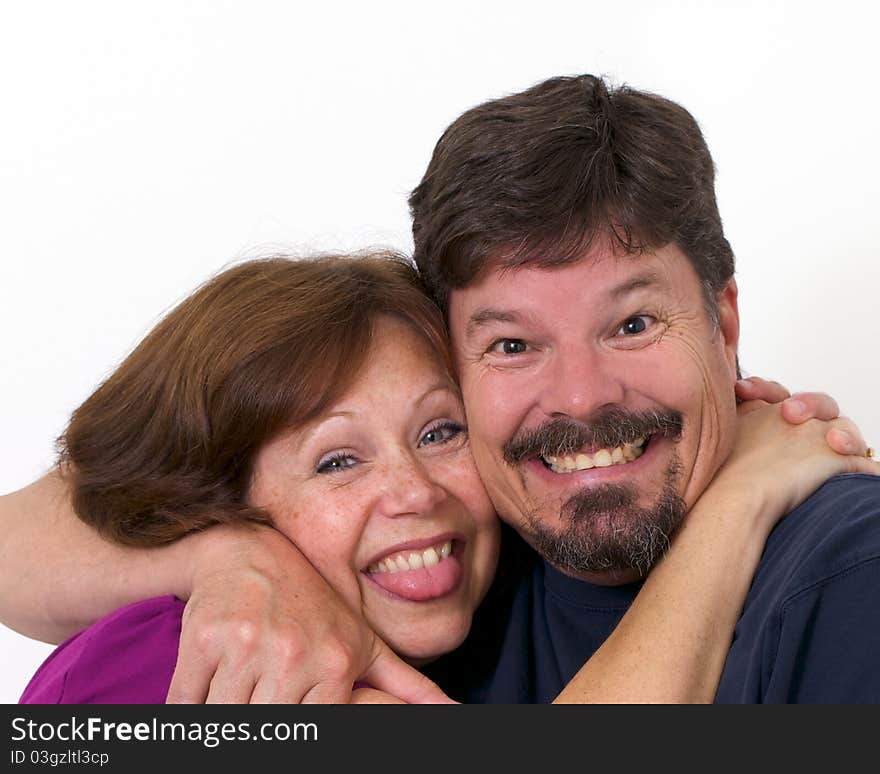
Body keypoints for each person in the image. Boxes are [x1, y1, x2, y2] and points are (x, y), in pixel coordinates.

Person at [3, 253, 871, 704]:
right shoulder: (181, 666)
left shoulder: (493, 592)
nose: (415, 490)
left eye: (441, 430)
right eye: (338, 459)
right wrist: (740, 503)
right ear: (223, 496)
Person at [406, 74, 880, 702]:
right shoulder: (424, 585)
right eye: (513, 346)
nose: (580, 397)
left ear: (725, 321)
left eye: (633, 325)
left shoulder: (856, 574)